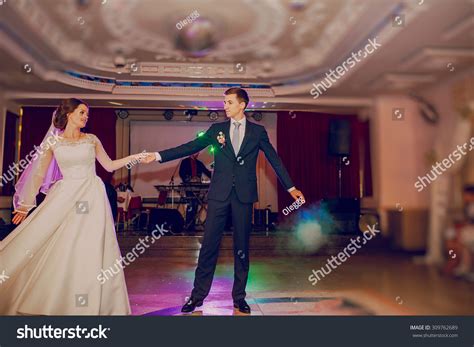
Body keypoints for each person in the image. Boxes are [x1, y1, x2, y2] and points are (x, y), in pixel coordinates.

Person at [143, 88, 304, 314]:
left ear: (242, 105)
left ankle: (239, 298)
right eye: (224, 102)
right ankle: (197, 296)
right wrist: (158, 155)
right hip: (219, 194)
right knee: (209, 245)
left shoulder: (258, 132)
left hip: (244, 196)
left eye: (229, 102)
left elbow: (274, 160)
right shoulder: (217, 130)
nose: (225, 106)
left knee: (242, 248)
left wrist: (291, 187)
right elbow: (190, 147)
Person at [0, 98, 154, 315]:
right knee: (57, 242)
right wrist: (25, 205)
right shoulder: (53, 143)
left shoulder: (91, 140)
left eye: (87, 114)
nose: (85, 117)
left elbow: (109, 165)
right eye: (82, 112)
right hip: (65, 196)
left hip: (92, 195)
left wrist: (136, 157)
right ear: (69, 114)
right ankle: (56, 298)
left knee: (89, 245)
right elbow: (37, 175)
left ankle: (89, 301)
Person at [179, 153, 212, 230]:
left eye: (198, 152)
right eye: (196, 152)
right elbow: (181, 173)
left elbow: (207, 172)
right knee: (191, 205)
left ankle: (192, 224)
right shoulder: (185, 162)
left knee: (196, 204)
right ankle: (188, 224)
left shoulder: (199, 163)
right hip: (189, 187)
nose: (197, 154)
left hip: (197, 187)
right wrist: (189, 179)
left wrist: (216, 174)